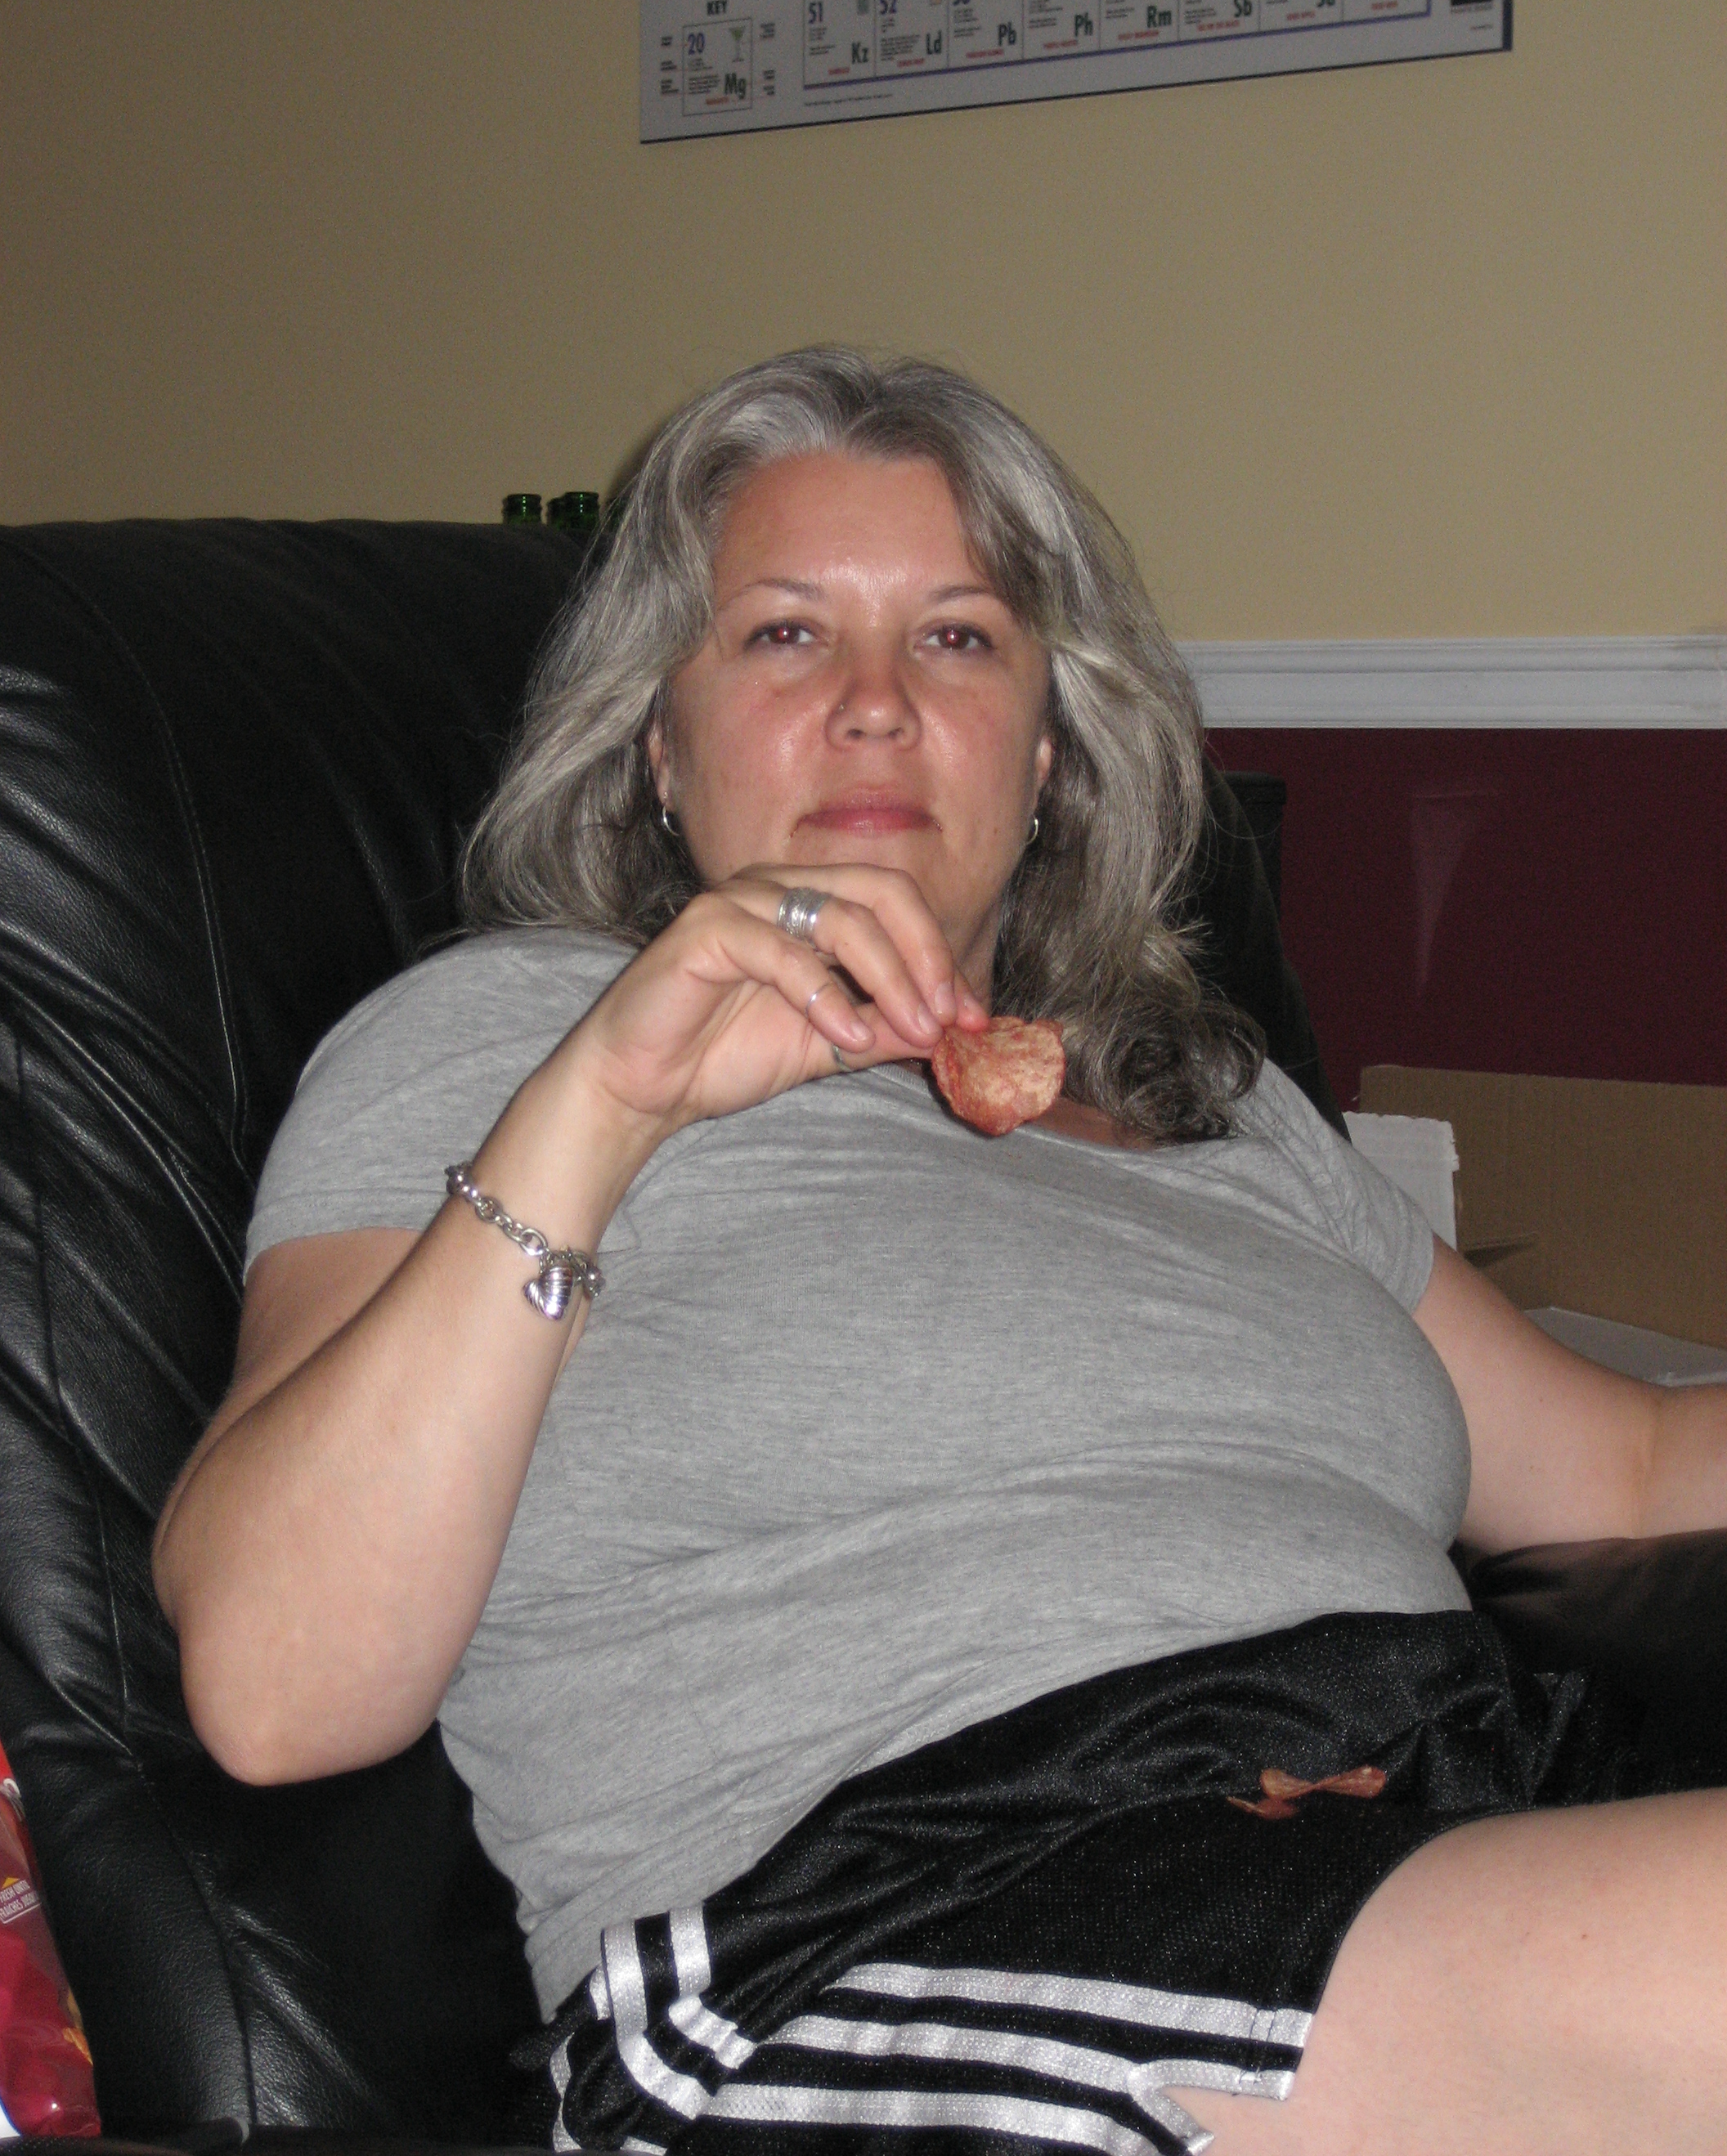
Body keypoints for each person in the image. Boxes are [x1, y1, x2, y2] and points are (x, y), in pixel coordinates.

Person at [153, 351, 1727, 2156]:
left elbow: (1626, 1461)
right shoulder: (507, 1046)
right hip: (908, 1917)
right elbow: (276, 1687)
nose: (877, 706)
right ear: (658, 746)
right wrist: (608, 1106)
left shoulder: (1215, 1107)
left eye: (960, 638)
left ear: (1046, 757)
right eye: (785, 635)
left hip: (1445, 1793)